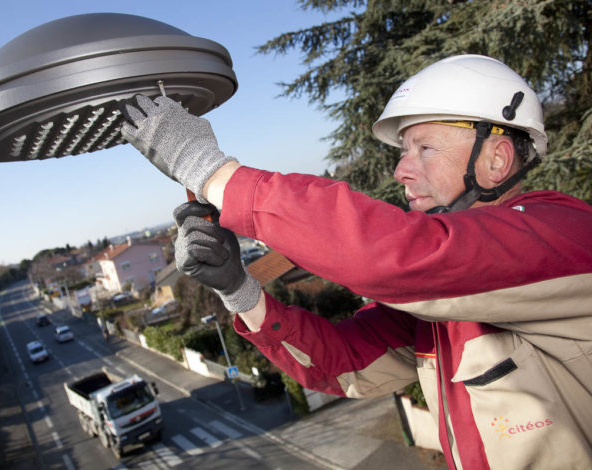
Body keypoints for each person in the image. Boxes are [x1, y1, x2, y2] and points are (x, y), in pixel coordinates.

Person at [120, 55, 592, 469]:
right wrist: (239, 290)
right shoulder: (440, 309)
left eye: (425, 148)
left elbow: (391, 256)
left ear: (497, 159)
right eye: (404, 151)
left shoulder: (563, 235)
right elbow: (342, 366)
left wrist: (208, 170)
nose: (401, 170)